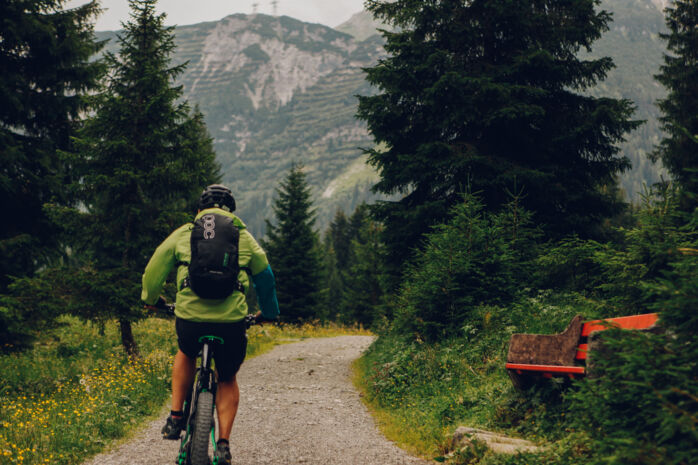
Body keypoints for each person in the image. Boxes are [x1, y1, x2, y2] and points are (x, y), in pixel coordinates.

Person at [141, 184, 279, 465]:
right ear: (231, 211)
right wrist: (268, 312)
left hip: (190, 320)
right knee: (227, 377)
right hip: (231, 324)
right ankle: (224, 445)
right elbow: (265, 275)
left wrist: (151, 299)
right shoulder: (243, 236)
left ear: (200, 208)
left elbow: (155, 268)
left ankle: (176, 416)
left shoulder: (185, 232)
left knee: (185, 351)